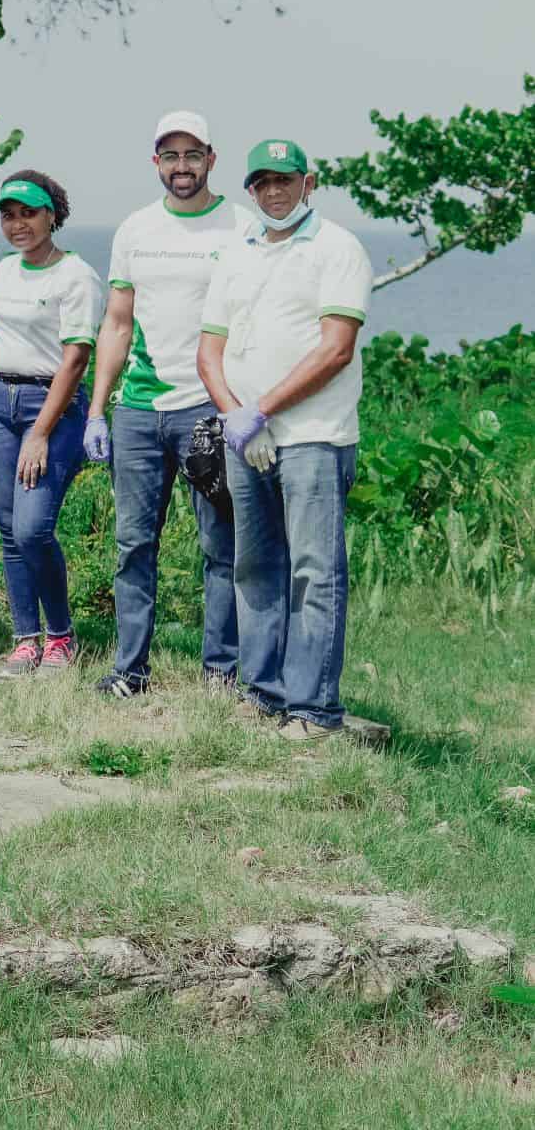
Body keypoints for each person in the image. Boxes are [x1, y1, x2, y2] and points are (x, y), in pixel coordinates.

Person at [197, 139, 369, 742]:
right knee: (254, 568)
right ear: (250, 189)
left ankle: (313, 710)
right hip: (245, 437)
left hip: (313, 437)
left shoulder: (336, 247)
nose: (274, 191)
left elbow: (335, 348)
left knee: (314, 573)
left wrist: (263, 409)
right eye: (262, 182)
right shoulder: (236, 253)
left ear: (309, 182)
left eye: (285, 180)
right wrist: (235, 415)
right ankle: (263, 694)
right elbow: (209, 349)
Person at [89, 111, 254, 698]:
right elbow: (116, 322)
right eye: (169, 156)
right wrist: (96, 411)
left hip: (207, 410)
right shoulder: (135, 229)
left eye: (192, 155)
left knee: (219, 544)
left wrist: (244, 405)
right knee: (134, 545)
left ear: (212, 158)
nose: (181, 167)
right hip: (136, 411)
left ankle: (221, 672)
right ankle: (129, 671)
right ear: (155, 162)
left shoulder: (241, 225)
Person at [0, 172, 102, 676]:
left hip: (52, 407)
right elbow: (2, 340)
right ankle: (26, 639)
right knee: (7, 529)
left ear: (52, 215)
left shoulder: (76, 275)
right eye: (8, 214)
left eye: (29, 213)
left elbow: (75, 359)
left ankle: (61, 637)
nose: (18, 224)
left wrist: (41, 431)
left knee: (32, 528)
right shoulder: (5, 271)